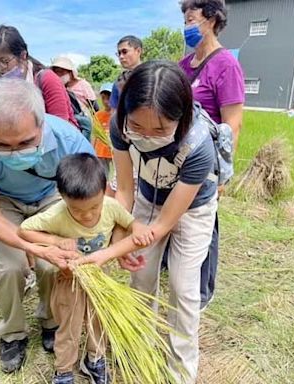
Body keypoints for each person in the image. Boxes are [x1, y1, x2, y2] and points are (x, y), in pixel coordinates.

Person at [79, 60, 218, 383]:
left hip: (191, 209)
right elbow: (124, 190)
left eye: (160, 130)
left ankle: (181, 371)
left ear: (180, 119)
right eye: (138, 127)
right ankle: (138, 352)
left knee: (183, 290)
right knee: (141, 280)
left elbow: (165, 223)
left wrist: (106, 255)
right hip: (146, 195)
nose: (146, 136)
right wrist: (118, 237)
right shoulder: (118, 126)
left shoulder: (198, 146)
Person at [0, 79, 94, 374]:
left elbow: (88, 198)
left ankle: (50, 320)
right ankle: (13, 333)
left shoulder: (70, 142)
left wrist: (59, 244)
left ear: (41, 124)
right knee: (10, 267)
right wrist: (31, 247)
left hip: (52, 198)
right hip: (3, 201)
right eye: (2, 145)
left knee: (51, 266)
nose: (15, 152)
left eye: (26, 142)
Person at [19, 153, 152, 384]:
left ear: (103, 191)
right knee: (68, 328)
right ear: (62, 197)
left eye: (94, 207)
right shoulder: (57, 214)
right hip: (69, 281)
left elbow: (129, 222)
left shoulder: (111, 207)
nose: (88, 215)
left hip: (101, 280)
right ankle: (63, 371)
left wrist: (138, 227)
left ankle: (94, 360)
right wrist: (55, 241)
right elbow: (24, 229)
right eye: (78, 210)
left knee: (99, 321)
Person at [178, 0, 245, 310]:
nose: (188, 25)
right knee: (179, 212)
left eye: (192, 18)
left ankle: (203, 290)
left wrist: (222, 172)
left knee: (206, 219)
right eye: (185, 18)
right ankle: (177, 268)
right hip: (180, 156)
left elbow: (232, 124)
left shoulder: (226, 65)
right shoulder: (182, 65)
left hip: (209, 160)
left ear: (212, 20)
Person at [0, 25, 78, 128]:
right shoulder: (4, 86)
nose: (0, 68)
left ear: (23, 55)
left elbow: (60, 126)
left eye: (5, 61)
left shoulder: (48, 79)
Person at [109, 35, 143, 109]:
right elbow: (114, 112)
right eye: (119, 53)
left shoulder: (154, 76)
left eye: (125, 52)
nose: (121, 56)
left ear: (138, 51)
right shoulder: (119, 83)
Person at [93, 83, 114, 178]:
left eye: (109, 97)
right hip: (101, 151)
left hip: (114, 150)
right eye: (103, 98)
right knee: (103, 176)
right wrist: (92, 150)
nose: (106, 101)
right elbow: (95, 135)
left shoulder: (118, 114)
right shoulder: (98, 115)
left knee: (117, 176)